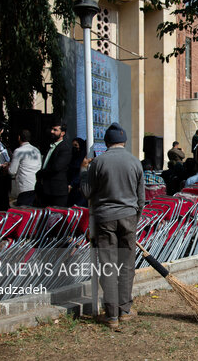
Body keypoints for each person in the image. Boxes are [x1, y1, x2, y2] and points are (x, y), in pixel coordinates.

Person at [80, 122, 144, 331]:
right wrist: (135, 218)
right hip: (129, 217)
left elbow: (87, 192)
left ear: (106, 142)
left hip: (104, 218)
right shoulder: (135, 162)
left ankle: (111, 315)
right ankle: (124, 310)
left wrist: (83, 170)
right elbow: (141, 198)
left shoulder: (97, 163)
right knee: (126, 265)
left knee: (108, 265)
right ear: (124, 141)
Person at [37, 121, 72, 207]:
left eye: (55, 130)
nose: (52, 132)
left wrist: (41, 173)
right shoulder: (51, 146)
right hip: (46, 189)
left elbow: (56, 167)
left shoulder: (64, 148)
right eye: (52, 129)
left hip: (57, 191)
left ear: (62, 133)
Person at [8, 129, 42, 207]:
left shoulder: (19, 151)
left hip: (24, 187)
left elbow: (12, 171)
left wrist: (7, 167)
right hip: (35, 185)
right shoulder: (36, 150)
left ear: (19, 138)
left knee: (23, 210)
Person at [67, 138, 88, 207]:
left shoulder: (85, 157)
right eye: (73, 146)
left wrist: (72, 184)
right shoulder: (74, 156)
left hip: (79, 187)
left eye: (76, 145)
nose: (75, 148)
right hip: (72, 188)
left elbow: (81, 173)